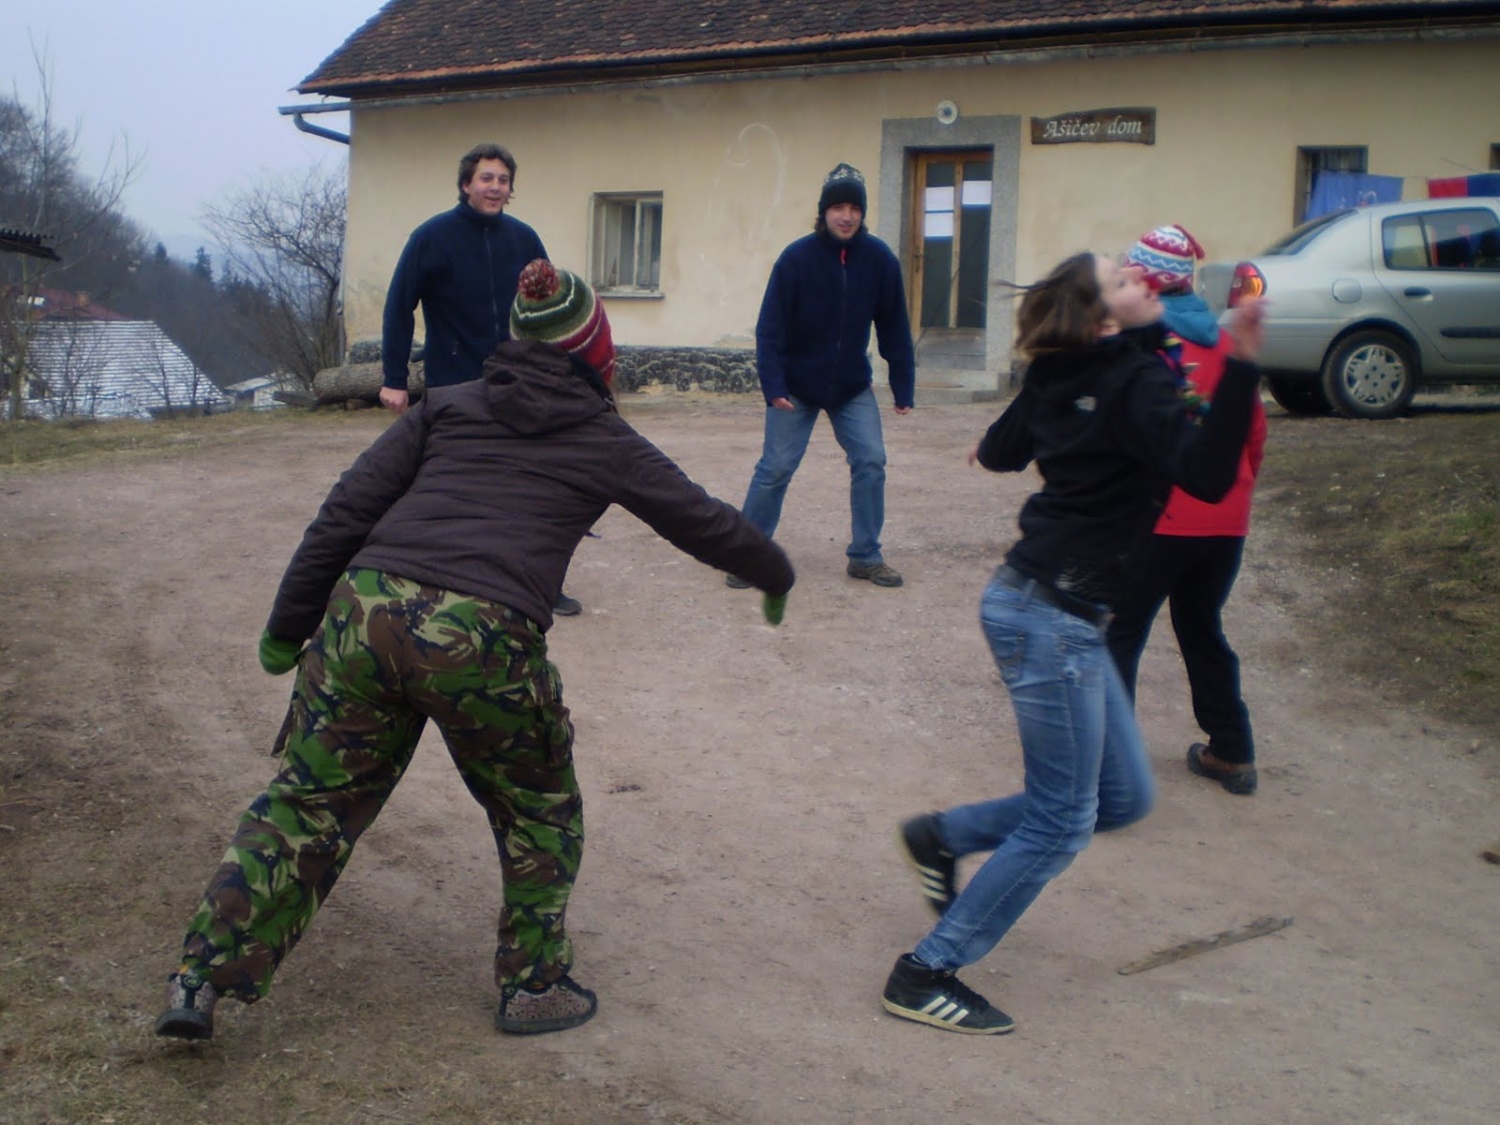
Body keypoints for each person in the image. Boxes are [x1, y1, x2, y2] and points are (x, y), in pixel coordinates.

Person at [154, 260, 794, 1043]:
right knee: (538, 807)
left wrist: (290, 626)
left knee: (305, 803)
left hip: (365, 615)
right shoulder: (606, 437)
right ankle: (533, 985)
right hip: (483, 635)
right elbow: (703, 520)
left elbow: (345, 511)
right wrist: (774, 570)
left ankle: (198, 977)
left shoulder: (448, 405)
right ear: (598, 351)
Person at [884, 252, 1266, 1035]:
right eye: (1121, 278)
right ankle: (925, 972)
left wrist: (1051, 411)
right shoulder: (1130, 377)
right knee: (1062, 821)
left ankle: (944, 836)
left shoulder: (1078, 369)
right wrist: (1242, 366)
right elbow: (1206, 472)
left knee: (1121, 798)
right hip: (1049, 618)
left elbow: (1001, 450)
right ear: (1101, 317)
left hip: (1049, 609)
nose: (1138, 276)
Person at [378, 143, 582, 617]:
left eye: (503, 180)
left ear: (511, 189)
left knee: (532, 484)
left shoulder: (524, 240)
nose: (495, 187)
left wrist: (557, 369)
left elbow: (548, 308)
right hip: (454, 381)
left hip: (518, 381)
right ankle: (444, 578)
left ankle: (540, 583)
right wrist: (394, 377)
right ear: (466, 184)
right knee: (453, 485)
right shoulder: (432, 238)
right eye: (486, 178)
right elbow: (399, 306)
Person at [1108, 224, 1268, 795]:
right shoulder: (1225, 343)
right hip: (1226, 517)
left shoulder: (1141, 346)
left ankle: (1113, 765)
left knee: (1120, 631)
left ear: (1146, 282)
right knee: (1202, 627)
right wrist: (1237, 495)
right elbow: (1253, 432)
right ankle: (1233, 751)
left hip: (1162, 513)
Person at [728, 161, 916, 590]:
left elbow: (894, 326)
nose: (846, 216)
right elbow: (770, 329)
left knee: (871, 460)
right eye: (838, 208)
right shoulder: (796, 259)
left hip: (850, 386)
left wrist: (902, 384)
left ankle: (865, 556)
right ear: (824, 212)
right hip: (796, 386)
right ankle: (747, 556)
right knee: (776, 467)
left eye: (854, 208)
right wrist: (773, 385)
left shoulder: (879, 260)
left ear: (862, 213)